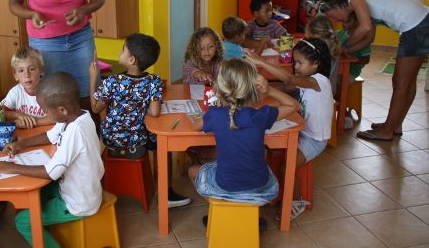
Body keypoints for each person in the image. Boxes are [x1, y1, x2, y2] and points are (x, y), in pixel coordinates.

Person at [0, 72, 103, 248]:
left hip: (78, 202)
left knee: (22, 221)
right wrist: (21, 144)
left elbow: (50, 173)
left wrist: (12, 168)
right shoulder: (77, 116)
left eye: (46, 111)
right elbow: (51, 136)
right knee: (35, 192)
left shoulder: (75, 131)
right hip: (78, 188)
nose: (44, 115)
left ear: (61, 110)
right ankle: (43, 222)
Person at [188, 58, 299, 227]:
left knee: (193, 170)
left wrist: (214, 107)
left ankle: (221, 213)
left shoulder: (215, 114)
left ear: (221, 88)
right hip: (261, 187)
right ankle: (247, 214)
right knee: (263, 165)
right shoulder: (261, 115)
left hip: (226, 186)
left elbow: (196, 126)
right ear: (252, 89)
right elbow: (293, 105)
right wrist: (269, 90)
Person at [90, 33, 191, 208]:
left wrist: (93, 78)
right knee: (162, 143)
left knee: (149, 136)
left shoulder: (113, 81)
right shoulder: (153, 81)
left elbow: (95, 108)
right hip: (138, 140)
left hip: (111, 140)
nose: (120, 52)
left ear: (132, 60)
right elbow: (155, 111)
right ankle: (166, 193)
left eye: (123, 50)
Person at [319, 0, 429, 141]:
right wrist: (347, 49)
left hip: (415, 26)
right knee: (408, 82)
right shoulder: (361, 2)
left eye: (333, 16)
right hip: (422, 21)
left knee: (400, 83)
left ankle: (387, 131)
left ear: (335, 6)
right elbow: (369, 37)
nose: (336, 21)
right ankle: (395, 125)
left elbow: (365, 27)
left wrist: (343, 46)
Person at [246, 37, 334, 220]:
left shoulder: (319, 81)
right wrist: (260, 87)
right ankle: (275, 193)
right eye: (295, 62)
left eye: (300, 63)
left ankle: (295, 201)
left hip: (315, 139)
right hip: (302, 130)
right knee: (269, 145)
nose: (296, 66)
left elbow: (287, 78)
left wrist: (260, 61)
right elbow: (286, 85)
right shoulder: (305, 79)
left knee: (287, 166)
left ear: (316, 63)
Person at [0, 47, 54, 128]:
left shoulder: (50, 91)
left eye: (31, 69)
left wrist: (33, 122)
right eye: (21, 71)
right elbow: (0, 112)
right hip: (24, 135)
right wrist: (18, 115)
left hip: (46, 134)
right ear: (15, 75)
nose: (27, 75)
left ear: (41, 71)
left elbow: (59, 116)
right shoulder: (15, 92)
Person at [305, 15, 342, 93]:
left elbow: (304, 73)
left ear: (314, 34)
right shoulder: (333, 44)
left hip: (316, 93)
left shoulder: (316, 48)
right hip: (330, 91)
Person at [336, 12, 371, 80]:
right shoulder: (340, 33)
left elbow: (366, 60)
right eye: (342, 21)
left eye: (347, 21)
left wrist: (350, 60)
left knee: (336, 82)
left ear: (357, 22)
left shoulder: (362, 39)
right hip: (338, 68)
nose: (343, 24)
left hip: (351, 72)